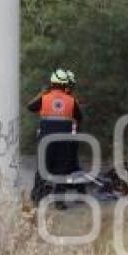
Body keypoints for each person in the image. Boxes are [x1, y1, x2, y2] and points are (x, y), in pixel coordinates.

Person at [26, 69, 83, 204]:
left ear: (51, 83)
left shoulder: (44, 98)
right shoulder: (71, 100)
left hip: (45, 141)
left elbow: (30, 107)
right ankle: (59, 203)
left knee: (42, 168)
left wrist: (42, 93)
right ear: (65, 85)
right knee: (61, 170)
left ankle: (37, 198)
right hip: (64, 142)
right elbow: (79, 117)